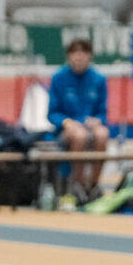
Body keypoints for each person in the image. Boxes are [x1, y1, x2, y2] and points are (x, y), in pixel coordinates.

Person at [47, 38, 109, 203]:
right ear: (69, 56)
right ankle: (77, 184)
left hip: (90, 126)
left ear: (89, 56)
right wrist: (67, 122)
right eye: (75, 53)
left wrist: (97, 120)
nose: (79, 57)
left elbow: (103, 113)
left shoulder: (98, 79)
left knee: (103, 134)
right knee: (79, 135)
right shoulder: (59, 78)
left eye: (84, 53)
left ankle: (94, 185)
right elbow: (52, 114)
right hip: (67, 130)